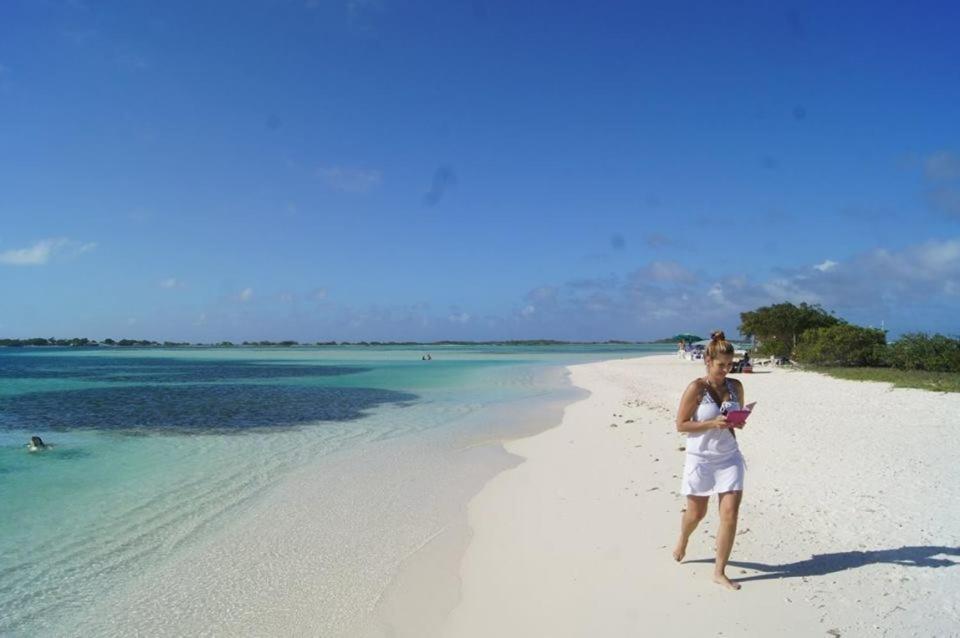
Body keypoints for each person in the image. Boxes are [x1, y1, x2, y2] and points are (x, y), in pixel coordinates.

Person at [672, 330, 746, 590]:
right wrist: (711, 423)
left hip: (729, 458)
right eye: (721, 364)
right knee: (696, 513)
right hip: (701, 459)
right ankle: (683, 537)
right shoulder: (696, 388)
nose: (726, 369)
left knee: (729, 514)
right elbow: (681, 425)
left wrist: (738, 422)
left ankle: (719, 572)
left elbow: (735, 421)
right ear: (707, 360)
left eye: (729, 364)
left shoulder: (736, 386)